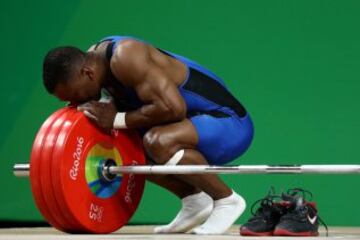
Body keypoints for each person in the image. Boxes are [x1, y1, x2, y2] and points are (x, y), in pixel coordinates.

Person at [42, 36, 254, 234]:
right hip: (190, 123)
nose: (77, 103)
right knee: (127, 146)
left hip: (229, 123)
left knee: (158, 141)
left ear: (88, 73)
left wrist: (116, 119)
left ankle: (226, 200)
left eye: (77, 95)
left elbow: (173, 108)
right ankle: (194, 200)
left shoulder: (125, 56)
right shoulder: (95, 66)